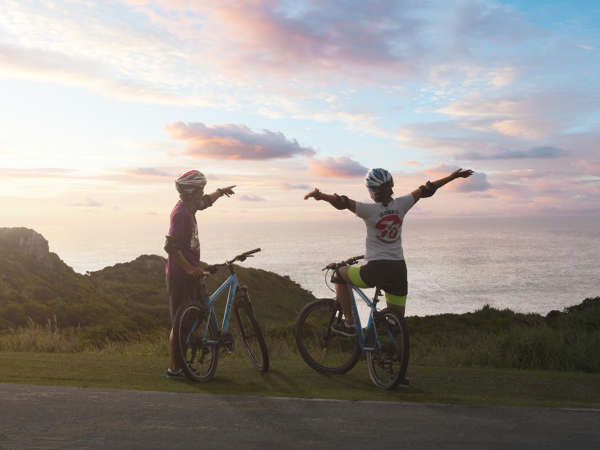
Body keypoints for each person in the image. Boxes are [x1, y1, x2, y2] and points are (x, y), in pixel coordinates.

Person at [304, 167, 473, 336]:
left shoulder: (368, 210)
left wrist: (322, 196)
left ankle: (350, 323)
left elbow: (342, 202)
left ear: (371, 191)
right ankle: (397, 357)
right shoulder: (401, 204)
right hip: (399, 270)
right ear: (391, 187)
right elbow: (426, 189)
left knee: (339, 274)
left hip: (376, 269)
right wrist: (453, 177)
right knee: (396, 325)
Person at [163, 170, 235, 378]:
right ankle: (175, 369)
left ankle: (183, 363)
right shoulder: (180, 214)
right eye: (200, 189)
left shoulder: (190, 207)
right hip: (180, 276)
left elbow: (204, 203)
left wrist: (220, 192)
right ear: (191, 191)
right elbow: (171, 247)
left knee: (192, 317)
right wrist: (190, 269)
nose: (203, 192)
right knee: (180, 324)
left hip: (191, 274)